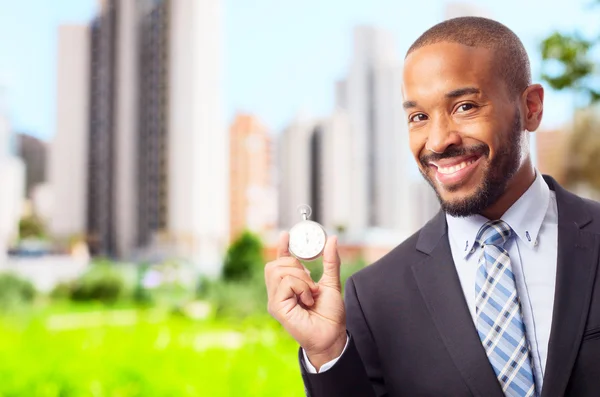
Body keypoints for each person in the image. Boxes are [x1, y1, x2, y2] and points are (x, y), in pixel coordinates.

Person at [265, 16, 600, 397]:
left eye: (465, 107)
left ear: (532, 107)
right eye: (419, 117)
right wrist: (326, 352)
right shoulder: (376, 295)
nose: (438, 141)